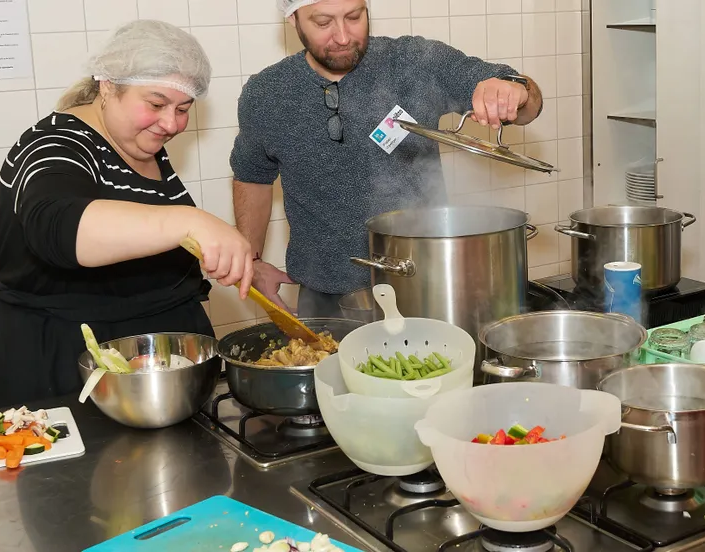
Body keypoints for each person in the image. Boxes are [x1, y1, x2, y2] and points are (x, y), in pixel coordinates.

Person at [0, 20, 254, 408]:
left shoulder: (137, 145)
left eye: (183, 109)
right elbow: (61, 228)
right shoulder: (55, 143)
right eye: (155, 104)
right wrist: (193, 221)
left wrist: (237, 258)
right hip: (56, 371)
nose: (171, 123)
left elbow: (145, 238)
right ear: (107, 87)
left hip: (143, 377)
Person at [230, 0, 544, 318]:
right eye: (323, 22)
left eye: (354, 17)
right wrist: (251, 262)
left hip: (430, 289)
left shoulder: (414, 62)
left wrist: (513, 92)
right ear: (293, 19)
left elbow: (527, 103)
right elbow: (251, 176)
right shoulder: (267, 94)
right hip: (325, 300)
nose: (342, 36)